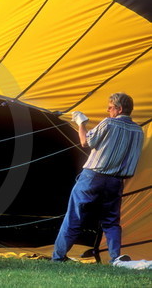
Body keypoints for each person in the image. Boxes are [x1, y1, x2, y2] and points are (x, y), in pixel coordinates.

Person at [52, 93, 144, 263]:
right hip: (116, 181)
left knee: (74, 216)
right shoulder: (138, 130)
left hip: (93, 177)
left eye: (110, 107)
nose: (108, 110)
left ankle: (58, 258)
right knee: (111, 221)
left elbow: (86, 142)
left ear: (119, 109)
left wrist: (81, 123)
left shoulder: (108, 123)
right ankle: (116, 258)